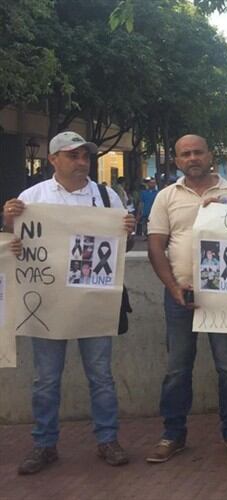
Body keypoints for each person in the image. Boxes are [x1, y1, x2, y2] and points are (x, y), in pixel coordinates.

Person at [2, 131, 136, 474]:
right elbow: (17, 249)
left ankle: (107, 439)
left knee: (101, 376)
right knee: (46, 379)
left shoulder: (107, 197)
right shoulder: (31, 198)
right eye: (73, 155)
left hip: (92, 301)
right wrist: (9, 226)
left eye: (85, 156)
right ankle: (44, 444)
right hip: (47, 303)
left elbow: (124, 246)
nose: (81, 162)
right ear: (53, 160)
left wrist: (128, 231)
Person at [145, 134, 227, 463]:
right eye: (185, 154)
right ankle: (172, 434)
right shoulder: (166, 197)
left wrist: (226, 216)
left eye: (198, 152)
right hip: (181, 293)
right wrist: (172, 286)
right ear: (177, 161)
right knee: (177, 369)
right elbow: (155, 245)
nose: (193, 158)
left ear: (211, 155)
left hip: (223, 293)